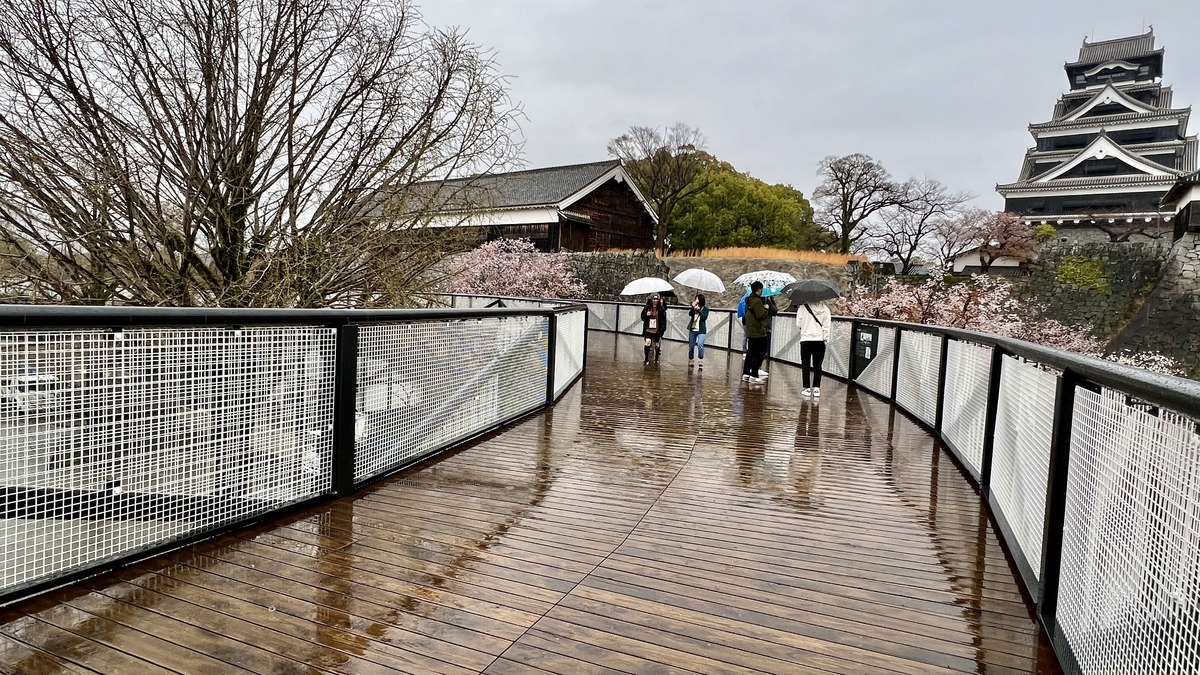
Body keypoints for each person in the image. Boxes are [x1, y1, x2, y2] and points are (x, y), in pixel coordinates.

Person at [795, 299, 832, 396]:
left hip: (805, 340)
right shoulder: (826, 310)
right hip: (819, 340)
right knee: (818, 365)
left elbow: (798, 324)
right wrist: (825, 339)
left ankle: (807, 388)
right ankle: (816, 388)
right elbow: (827, 327)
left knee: (805, 365)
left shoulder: (802, 308)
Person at [741, 282, 770, 384]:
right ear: (759, 289)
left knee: (750, 353)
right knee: (760, 352)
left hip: (751, 331)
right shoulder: (757, 301)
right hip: (758, 332)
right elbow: (760, 315)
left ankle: (746, 374)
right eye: (761, 289)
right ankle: (754, 374)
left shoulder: (749, 300)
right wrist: (766, 309)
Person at [640, 294, 667, 365]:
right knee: (648, 342)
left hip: (657, 329)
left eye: (656, 299)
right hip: (648, 328)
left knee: (656, 345)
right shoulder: (647, 308)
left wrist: (662, 330)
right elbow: (642, 318)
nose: (655, 301)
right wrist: (646, 315)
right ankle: (646, 358)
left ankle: (656, 358)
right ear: (651, 300)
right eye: (654, 299)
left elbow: (663, 320)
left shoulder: (661, 309)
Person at [686, 294, 709, 368]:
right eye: (696, 299)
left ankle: (700, 359)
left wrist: (699, 310)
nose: (696, 300)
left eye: (698, 299)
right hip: (693, 329)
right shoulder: (694, 308)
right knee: (691, 346)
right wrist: (693, 308)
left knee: (700, 345)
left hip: (701, 330)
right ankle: (691, 359)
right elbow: (690, 314)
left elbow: (704, 318)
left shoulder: (705, 309)